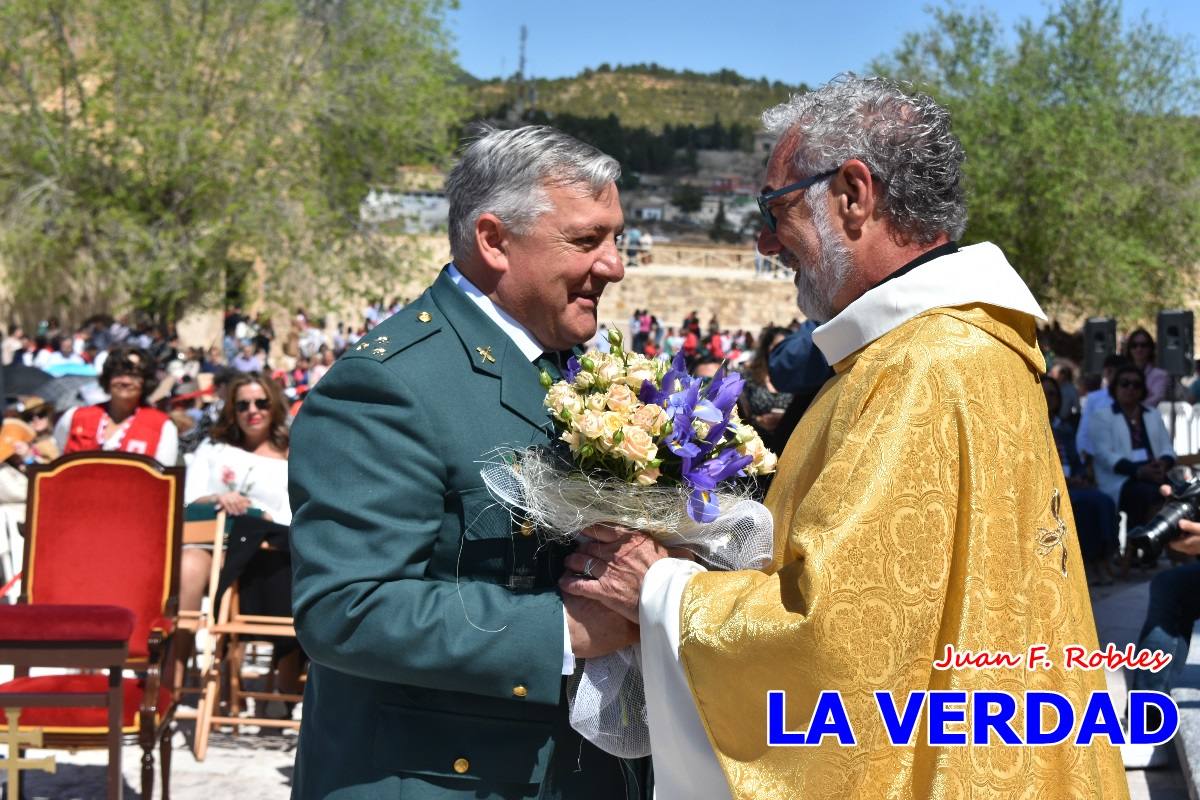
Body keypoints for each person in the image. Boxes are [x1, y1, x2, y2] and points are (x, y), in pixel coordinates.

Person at [561, 76, 1126, 798]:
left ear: (854, 195)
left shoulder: (924, 367)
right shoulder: (954, 349)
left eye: (776, 208)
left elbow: (837, 640)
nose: (766, 241)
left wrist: (659, 587)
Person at [288, 125, 647, 799]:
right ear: (493, 241)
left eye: (617, 237)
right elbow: (345, 607)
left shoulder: (571, 374)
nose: (615, 266)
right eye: (586, 240)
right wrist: (563, 630)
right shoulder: (391, 384)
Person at [1042, 377, 1118, 585]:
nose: (1049, 398)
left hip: (1073, 482)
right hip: (1051, 486)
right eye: (1045, 392)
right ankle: (1090, 563)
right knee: (1083, 507)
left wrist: (1080, 475)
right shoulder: (1031, 425)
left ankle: (1105, 557)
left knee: (1104, 501)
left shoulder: (1064, 427)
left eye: (1053, 394)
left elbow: (1075, 459)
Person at [1087, 363, 1175, 531]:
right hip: (1120, 478)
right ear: (1115, 388)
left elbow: (1167, 448)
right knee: (1150, 494)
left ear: (1143, 389)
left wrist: (1162, 464)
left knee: (1179, 493)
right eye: (1125, 383)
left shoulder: (1153, 414)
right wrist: (1139, 471)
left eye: (1136, 384)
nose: (1130, 388)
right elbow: (1104, 455)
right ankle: (1141, 547)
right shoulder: (1102, 416)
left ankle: (1164, 548)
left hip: (1155, 474)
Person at [54, 346, 178, 465]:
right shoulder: (75, 417)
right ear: (108, 378)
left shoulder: (162, 427)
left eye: (134, 375)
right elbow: (57, 459)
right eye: (119, 373)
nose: (125, 381)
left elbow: (162, 479)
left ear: (145, 381)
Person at [736, 325, 792, 443]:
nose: (782, 351)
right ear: (767, 347)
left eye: (787, 346)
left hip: (789, 442)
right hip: (754, 442)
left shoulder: (800, 379)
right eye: (777, 346)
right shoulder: (747, 375)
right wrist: (758, 419)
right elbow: (737, 411)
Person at [1123, 327, 1170, 407]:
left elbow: (1156, 400)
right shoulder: (1121, 374)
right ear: (1129, 349)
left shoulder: (1160, 375)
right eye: (1134, 345)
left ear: (1150, 348)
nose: (1139, 349)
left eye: (1143, 345)